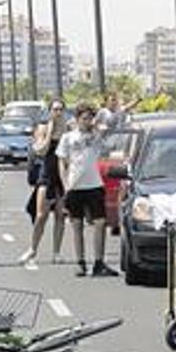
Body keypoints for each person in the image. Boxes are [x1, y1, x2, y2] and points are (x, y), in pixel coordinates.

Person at [57, 103, 119, 277]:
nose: (87, 121)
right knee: (77, 225)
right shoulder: (68, 137)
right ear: (77, 119)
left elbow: (111, 127)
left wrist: (98, 126)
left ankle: (99, 262)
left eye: (89, 118)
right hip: (75, 186)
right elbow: (62, 161)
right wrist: (65, 184)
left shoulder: (96, 136)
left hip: (95, 185)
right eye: (84, 118)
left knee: (100, 223)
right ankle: (80, 262)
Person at [19, 99, 68, 266]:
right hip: (46, 174)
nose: (58, 113)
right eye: (55, 109)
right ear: (50, 111)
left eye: (61, 109)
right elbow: (40, 151)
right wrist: (49, 133)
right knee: (41, 215)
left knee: (60, 215)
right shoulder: (43, 127)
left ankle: (57, 252)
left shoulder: (67, 129)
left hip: (62, 175)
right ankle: (33, 248)